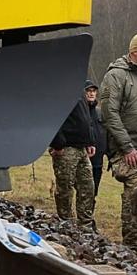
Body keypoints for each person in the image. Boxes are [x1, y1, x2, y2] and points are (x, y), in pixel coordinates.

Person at [99, 33, 137, 250]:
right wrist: (126, 147)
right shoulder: (116, 75)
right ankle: (131, 246)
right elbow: (109, 113)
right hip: (127, 149)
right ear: (134, 52)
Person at [49, 83, 96, 228]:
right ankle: (66, 224)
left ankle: (85, 224)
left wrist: (90, 141)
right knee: (65, 187)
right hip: (66, 147)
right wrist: (58, 143)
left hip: (81, 148)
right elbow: (51, 116)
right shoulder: (58, 88)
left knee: (87, 187)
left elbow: (85, 118)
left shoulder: (78, 88)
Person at [85, 79, 107, 198]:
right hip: (81, 158)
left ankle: (89, 214)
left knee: (93, 191)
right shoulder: (78, 111)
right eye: (88, 91)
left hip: (97, 160)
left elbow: (106, 134)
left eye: (93, 91)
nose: (91, 93)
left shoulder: (100, 113)